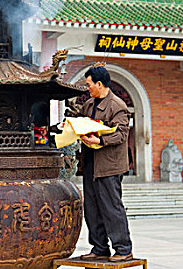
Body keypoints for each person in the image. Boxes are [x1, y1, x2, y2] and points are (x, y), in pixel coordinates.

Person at [78, 66, 133, 262]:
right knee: (92, 208)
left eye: (89, 84)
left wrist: (100, 141)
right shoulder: (89, 104)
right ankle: (99, 248)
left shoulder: (117, 106)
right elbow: (81, 122)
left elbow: (121, 134)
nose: (88, 88)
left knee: (111, 207)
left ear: (99, 84)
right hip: (91, 163)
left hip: (109, 165)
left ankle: (123, 248)